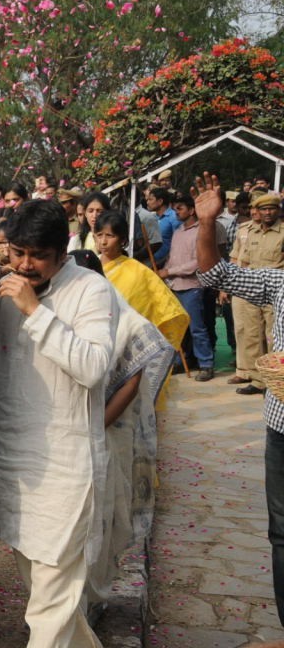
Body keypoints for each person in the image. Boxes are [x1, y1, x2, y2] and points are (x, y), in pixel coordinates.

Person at [0, 199, 116, 648]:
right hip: (14, 461)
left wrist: (35, 312)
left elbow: (95, 366)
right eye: (17, 252)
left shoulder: (91, 290)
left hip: (65, 466)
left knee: (48, 605)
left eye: (37, 255)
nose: (25, 264)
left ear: (62, 252)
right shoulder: (6, 286)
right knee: (47, 596)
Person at [192, 173, 284, 626]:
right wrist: (208, 224)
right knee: (281, 534)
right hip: (280, 423)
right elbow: (214, 274)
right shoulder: (279, 284)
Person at [67, 252, 174, 620]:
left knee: (105, 515)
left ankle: (93, 598)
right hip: (68, 436)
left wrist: (94, 429)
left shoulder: (124, 317)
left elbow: (132, 381)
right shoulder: (67, 309)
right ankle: (73, 604)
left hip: (109, 432)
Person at [94, 210, 189, 350]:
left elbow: (162, 308)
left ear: (122, 240)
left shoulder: (139, 271)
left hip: (129, 342)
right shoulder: (89, 267)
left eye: (110, 235)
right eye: (99, 235)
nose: (103, 241)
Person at [157, 193, 218, 381]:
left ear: (192, 210)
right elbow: (172, 258)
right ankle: (182, 361)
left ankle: (206, 364)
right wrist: (164, 271)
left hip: (193, 287)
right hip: (175, 286)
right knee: (178, 328)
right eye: (175, 208)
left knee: (197, 328)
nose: (176, 212)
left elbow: (198, 263)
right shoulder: (177, 232)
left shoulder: (202, 231)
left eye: (180, 208)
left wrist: (170, 271)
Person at [230, 191, 284, 395]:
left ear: (278, 210)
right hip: (251, 291)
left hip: (276, 293)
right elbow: (241, 261)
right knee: (251, 336)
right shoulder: (249, 232)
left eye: (271, 208)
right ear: (258, 212)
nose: (268, 212)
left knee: (274, 337)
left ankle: (275, 380)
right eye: (263, 209)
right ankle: (257, 380)